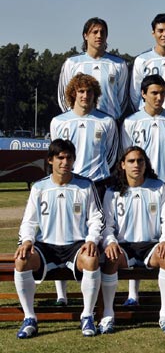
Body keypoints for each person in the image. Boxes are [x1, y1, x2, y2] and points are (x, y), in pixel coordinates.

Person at [14, 139, 103, 338]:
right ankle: (30, 318)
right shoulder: (39, 187)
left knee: (91, 259)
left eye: (68, 158)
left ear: (74, 160)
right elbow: (29, 221)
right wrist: (27, 240)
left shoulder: (85, 186)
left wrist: (92, 239)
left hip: (76, 245)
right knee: (21, 260)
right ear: (50, 161)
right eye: (60, 158)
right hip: (47, 246)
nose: (65, 162)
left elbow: (97, 218)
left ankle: (87, 315)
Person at [99, 146, 165, 334]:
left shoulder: (157, 187)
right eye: (131, 161)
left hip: (151, 245)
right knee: (110, 259)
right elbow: (107, 225)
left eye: (140, 161)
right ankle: (108, 314)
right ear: (122, 165)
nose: (136, 165)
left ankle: (164, 313)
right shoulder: (112, 191)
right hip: (124, 245)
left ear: (146, 164)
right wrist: (111, 242)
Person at [51, 73, 118, 307]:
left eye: (89, 91)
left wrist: (96, 176)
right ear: (73, 94)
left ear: (95, 95)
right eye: (80, 91)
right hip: (70, 185)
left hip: (97, 184)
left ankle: (94, 293)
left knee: (95, 236)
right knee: (64, 232)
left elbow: (110, 155)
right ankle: (62, 294)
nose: (85, 95)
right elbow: (57, 154)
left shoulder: (106, 122)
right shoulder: (59, 122)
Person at [122, 74, 165, 198]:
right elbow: (126, 154)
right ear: (143, 93)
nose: (159, 97)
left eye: (162, 93)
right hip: (142, 183)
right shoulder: (130, 122)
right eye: (154, 93)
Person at [58, 17, 129, 120]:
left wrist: (112, 119)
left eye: (102, 32)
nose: (99, 35)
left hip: (109, 124)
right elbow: (63, 96)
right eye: (95, 32)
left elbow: (122, 99)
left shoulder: (119, 64)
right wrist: (73, 117)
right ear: (85, 35)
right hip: (77, 122)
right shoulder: (72, 63)